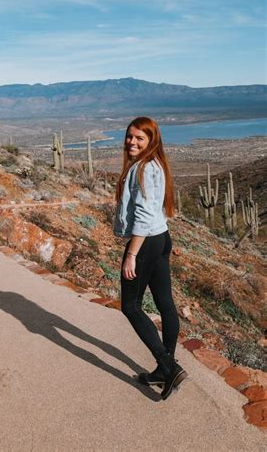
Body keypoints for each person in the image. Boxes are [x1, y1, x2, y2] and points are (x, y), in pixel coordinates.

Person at [113, 116, 187, 400]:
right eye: (130, 136)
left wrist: (131, 254)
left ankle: (168, 368)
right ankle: (163, 368)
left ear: (151, 141)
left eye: (139, 138)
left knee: (130, 306)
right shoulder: (155, 165)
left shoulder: (143, 168)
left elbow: (143, 216)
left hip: (144, 243)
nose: (132, 142)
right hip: (160, 238)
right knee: (165, 305)